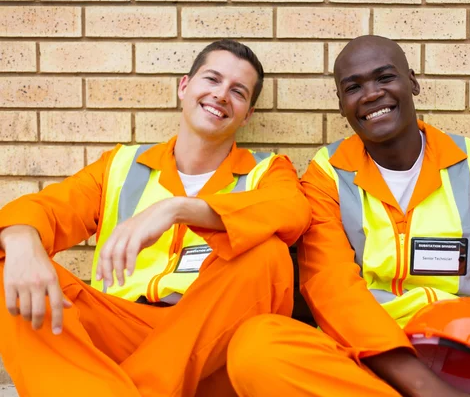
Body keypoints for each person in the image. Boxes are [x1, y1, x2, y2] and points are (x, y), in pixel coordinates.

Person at [226, 35, 470, 396]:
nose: (371, 94)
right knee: (257, 349)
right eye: (354, 87)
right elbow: (332, 287)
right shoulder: (327, 176)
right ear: (341, 105)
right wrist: (427, 388)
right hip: (374, 362)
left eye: (384, 77)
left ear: (413, 82)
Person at [0, 39, 311, 396]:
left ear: (248, 114)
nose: (221, 95)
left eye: (238, 92)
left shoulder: (267, 171)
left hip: (211, 345)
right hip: (120, 330)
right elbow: (48, 209)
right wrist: (22, 242)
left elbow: (293, 210)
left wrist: (176, 209)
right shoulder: (121, 166)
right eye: (212, 79)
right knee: (9, 262)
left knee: (268, 254)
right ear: (184, 86)